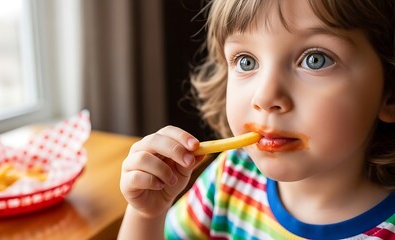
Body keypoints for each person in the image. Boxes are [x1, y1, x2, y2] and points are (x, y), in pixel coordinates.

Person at [118, 0, 395, 239]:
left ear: (389, 93)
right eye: (246, 61)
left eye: (315, 60)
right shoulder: (231, 175)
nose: (265, 96)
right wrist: (147, 214)